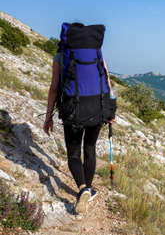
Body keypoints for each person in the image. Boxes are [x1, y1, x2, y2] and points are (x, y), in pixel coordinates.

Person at [43, 45, 115, 214]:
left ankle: (83, 189)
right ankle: (88, 189)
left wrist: (48, 117)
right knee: (90, 148)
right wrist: (111, 110)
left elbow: (54, 88)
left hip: (73, 112)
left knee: (74, 153)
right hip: (97, 110)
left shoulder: (60, 56)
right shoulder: (96, 55)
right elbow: (107, 81)